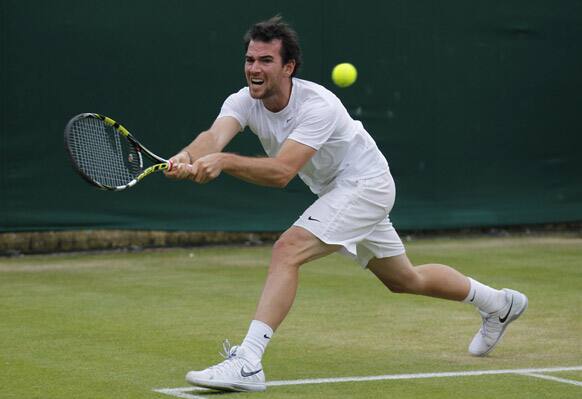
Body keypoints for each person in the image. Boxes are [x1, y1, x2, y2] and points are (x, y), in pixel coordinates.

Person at [164, 16, 528, 393]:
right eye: (249, 59)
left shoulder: (317, 105)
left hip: (365, 184)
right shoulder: (242, 100)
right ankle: (499, 303)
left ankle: (248, 363)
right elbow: (213, 137)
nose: (254, 68)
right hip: (339, 191)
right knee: (405, 279)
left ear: (288, 67)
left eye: (265, 61)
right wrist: (182, 158)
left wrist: (224, 162)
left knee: (287, 250)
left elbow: (282, 172)